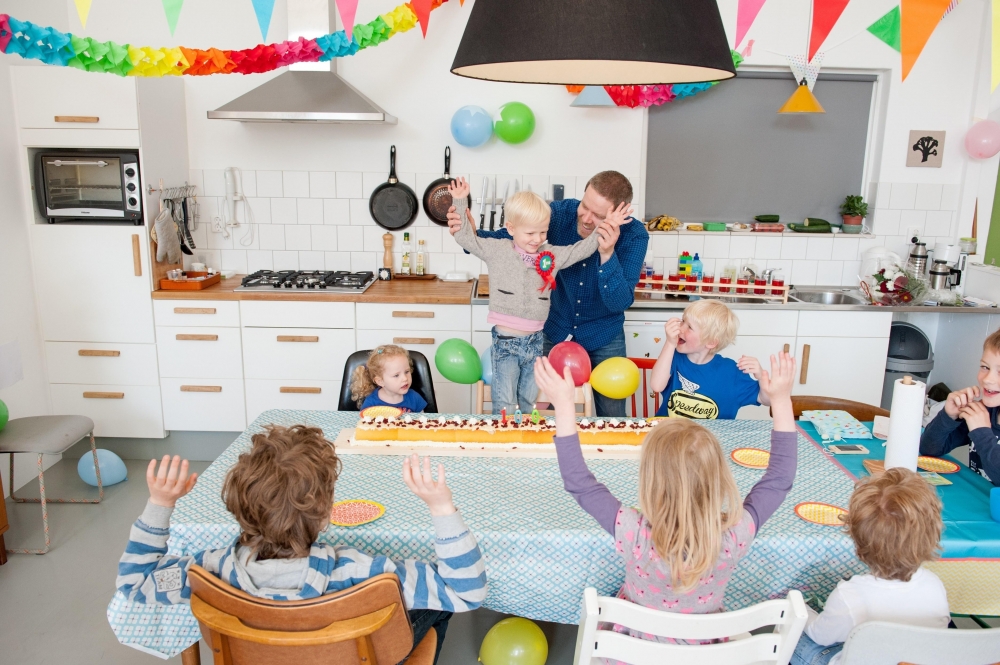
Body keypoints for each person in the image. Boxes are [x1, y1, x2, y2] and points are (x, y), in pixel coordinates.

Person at [116, 425, 486, 663]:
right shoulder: (367, 572)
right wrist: (442, 507)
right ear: (326, 515)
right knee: (436, 607)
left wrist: (161, 504)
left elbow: (134, 583)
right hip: (359, 654)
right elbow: (465, 591)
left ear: (240, 509)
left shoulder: (208, 571)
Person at [534, 351, 797, 644]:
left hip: (629, 653)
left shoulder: (633, 531)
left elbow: (578, 482)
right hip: (705, 654)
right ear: (718, 478)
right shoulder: (734, 535)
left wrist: (564, 406)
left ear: (650, 481)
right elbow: (779, 479)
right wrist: (781, 399)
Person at [448, 171, 648, 417]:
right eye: (584, 207)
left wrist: (607, 254)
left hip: (602, 334)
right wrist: (471, 234)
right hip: (554, 329)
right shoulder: (560, 213)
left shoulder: (635, 236)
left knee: (613, 416)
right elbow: (511, 240)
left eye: (598, 216)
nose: (586, 218)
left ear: (621, 213)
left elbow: (619, 301)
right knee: (542, 412)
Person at [791, 468, 950, 665]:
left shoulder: (850, 595)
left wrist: (800, 608)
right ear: (930, 534)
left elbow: (819, 636)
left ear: (859, 541)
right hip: (909, 659)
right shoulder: (934, 585)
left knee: (795, 634)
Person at [650, 299, 769, 418]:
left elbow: (767, 400)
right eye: (683, 321)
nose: (680, 328)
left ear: (711, 342)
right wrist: (670, 343)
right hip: (668, 434)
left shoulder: (732, 373)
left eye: (689, 327)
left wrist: (761, 376)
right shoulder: (673, 356)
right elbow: (656, 385)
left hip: (709, 437)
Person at [920, 327, 1000, 485]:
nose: (988, 379)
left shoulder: (980, 423)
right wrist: (948, 416)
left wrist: (982, 433)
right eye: (985, 367)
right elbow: (929, 449)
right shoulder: (984, 412)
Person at [350, 344, 427, 413]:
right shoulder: (371, 403)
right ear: (380, 381)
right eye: (396, 375)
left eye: (407, 372)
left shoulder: (414, 397)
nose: (405, 378)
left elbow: (422, 423)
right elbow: (366, 425)